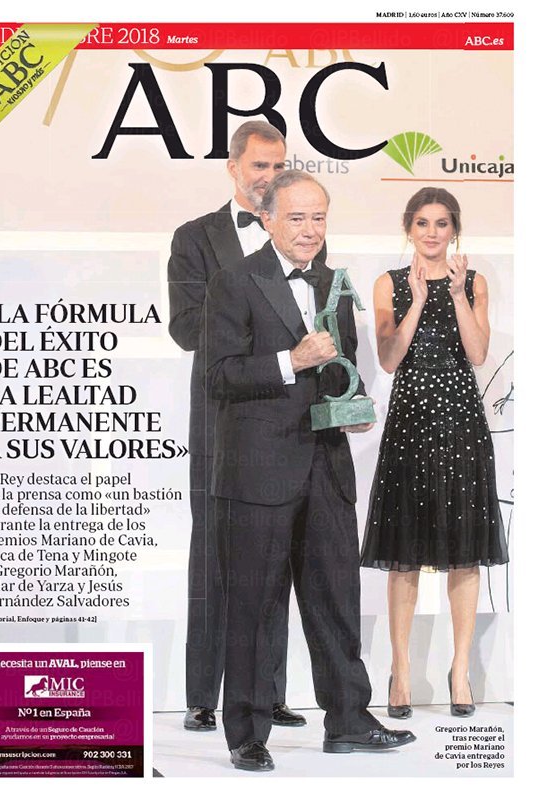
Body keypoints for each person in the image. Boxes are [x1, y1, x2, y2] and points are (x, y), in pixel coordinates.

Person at [204, 170, 415, 771]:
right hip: (257, 476)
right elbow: (217, 377)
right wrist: (290, 360)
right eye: (296, 217)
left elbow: (342, 370)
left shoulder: (335, 284)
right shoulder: (233, 281)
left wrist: (354, 407)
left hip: (326, 468)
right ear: (267, 219)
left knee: (337, 601)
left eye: (318, 217)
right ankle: (247, 734)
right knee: (253, 608)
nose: (310, 229)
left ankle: (348, 720)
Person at [168, 121, 308, 731]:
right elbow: (184, 328)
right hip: (220, 415)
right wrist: (249, 328)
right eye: (259, 166)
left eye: (279, 167)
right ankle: (203, 695)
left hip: (280, 418)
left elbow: (304, 322)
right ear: (233, 167)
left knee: (274, 555)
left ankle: (267, 693)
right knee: (213, 553)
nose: (269, 178)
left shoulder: (299, 234)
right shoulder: (195, 237)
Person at [360, 187, 509, 719]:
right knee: (403, 554)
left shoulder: (474, 281)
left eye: (441, 223)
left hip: (463, 426)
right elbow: (388, 359)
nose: (431, 232)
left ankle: (460, 670)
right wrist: (419, 299)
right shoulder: (389, 283)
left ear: (454, 230)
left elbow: (478, 352)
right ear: (409, 228)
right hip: (410, 425)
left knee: (465, 553)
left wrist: (459, 294)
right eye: (422, 223)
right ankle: (400, 672)